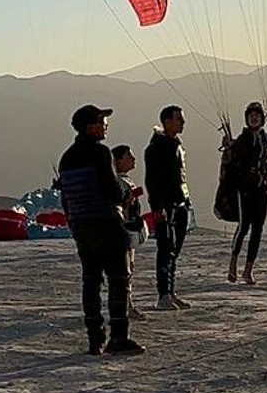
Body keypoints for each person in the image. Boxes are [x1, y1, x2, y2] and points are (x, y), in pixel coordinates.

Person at [56, 104, 143, 355]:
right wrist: (126, 192)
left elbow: (66, 198)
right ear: (91, 126)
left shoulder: (66, 158)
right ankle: (119, 337)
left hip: (81, 227)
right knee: (118, 279)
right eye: (102, 121)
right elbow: (112, 191)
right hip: (106, 222)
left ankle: (95, 338)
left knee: (91, 281)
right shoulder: (101, 153)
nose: (106, 125)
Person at [223, 101, 267, 284]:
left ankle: (248, 269)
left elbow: (265, 165)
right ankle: (232, 264)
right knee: (244, 226)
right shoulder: (242, 141)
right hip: (245, 190)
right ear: (247, 119)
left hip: (262, 190)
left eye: (257, 116)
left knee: (257, 229)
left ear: (262, 119)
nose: (254, 118)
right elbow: (236, 166)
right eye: (251, 115)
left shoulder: (264, 140)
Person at [144, 105, 192, 311]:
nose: (183, 123)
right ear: (167, 121)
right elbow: (152, 180)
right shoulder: (156, 148)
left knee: (174, 251)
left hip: (181, 203)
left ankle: (170, 292)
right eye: (179, 119)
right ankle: (163, 295)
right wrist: (157, 206)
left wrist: (187, 201)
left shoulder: (176, 144)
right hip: (166, 206)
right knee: (166, 249)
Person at [112, 144, 147, 319]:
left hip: (130, 228)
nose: (133, 159)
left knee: (129, 268)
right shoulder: (118, 182)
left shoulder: (126, 180)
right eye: (128, 156)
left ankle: (127, 303)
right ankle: (125, 306)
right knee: (124, 270)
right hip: (123, 230)